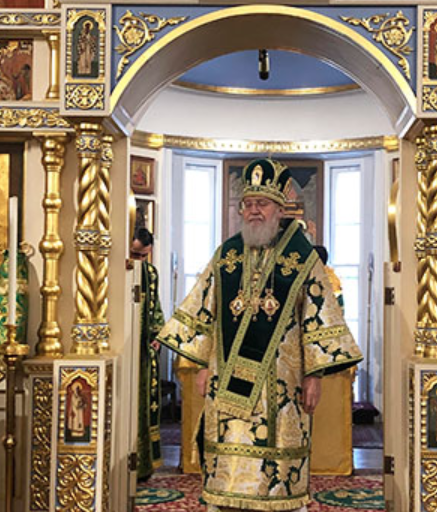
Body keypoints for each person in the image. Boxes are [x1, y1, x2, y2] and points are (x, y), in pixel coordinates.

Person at [157, 158, 362, 511]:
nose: (254, 211)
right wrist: (201, 365)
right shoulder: (226, 256)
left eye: (262, 204)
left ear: (280, 209)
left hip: (282, 389)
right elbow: (204, 310)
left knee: (277, 474)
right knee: (228, 469)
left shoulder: (303, 260)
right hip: (226, 384)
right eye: (248, 204)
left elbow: (318, 318)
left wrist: (315, 376)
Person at [130, 227, 165, 481]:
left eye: (143, 256)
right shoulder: (119, 270)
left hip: (143, 352)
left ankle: (144, 464)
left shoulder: (151, 274)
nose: (138, 262)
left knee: (145, 403)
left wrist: (157, 336)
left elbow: (155, 309)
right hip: (125, 347)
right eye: (134, 255)